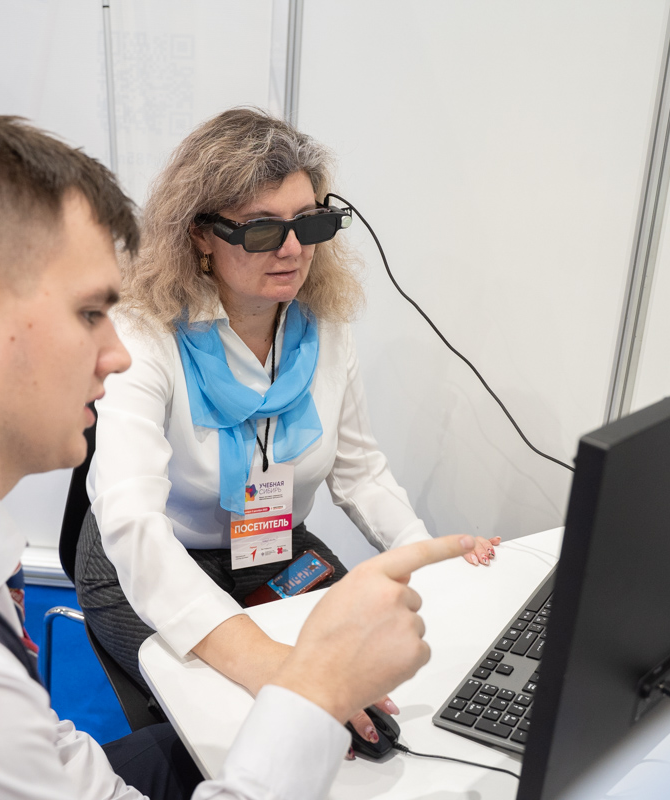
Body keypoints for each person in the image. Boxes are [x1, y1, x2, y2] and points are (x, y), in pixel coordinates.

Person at [0, 113, 475, 800]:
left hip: (259, 552)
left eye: (308, 223)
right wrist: (303, 693)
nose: (115, 355)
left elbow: (49, 757)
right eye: (90, 313)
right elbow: (126, 548)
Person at [75, 108, 501, 746]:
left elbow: (360, 474)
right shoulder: (143, 334)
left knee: (378, 684)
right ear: (200, 235)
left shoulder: (324, 326)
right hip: (149, 562)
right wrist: (270, 665)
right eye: (263, 229)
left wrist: (430, 558)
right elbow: (134, 527)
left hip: (273, 550)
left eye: (309, 223)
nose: (295, 249)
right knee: (243, 723)